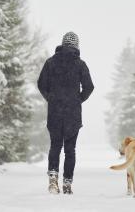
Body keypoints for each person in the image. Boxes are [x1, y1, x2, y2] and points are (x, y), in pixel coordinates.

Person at [37, 32, 94, 194]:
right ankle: (67, 184)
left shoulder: (50, 62)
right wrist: (77, 100)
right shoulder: (80, 64)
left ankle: (53, 180)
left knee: (55, 146)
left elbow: (41, 84)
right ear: (76, 46)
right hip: (73, 114)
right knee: (70, 150)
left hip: (55, 112)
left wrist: (51, 98)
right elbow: (89, 87)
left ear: (62, 44)